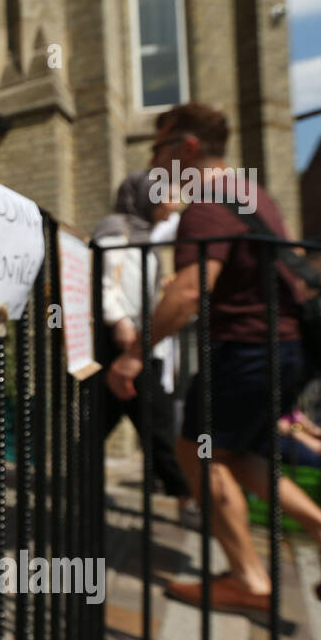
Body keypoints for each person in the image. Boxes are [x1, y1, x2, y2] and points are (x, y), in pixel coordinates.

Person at [106, 102, 321, 610]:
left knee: (198, 452)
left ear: (187, 147)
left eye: (158, 149)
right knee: (241, 455)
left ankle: (248, 578)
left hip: (247, 348)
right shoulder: (253, 194)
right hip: (286, 347)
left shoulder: (206, 203)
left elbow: (192, 292)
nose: (154, 162)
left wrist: (133, 356)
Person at [94, 170, 196, 525]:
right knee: (158, 424)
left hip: (141, 342)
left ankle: (82, 486)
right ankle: (186, 498)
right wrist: (119, 319)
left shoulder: (144, 236)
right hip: (121, 340)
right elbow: (106, 280)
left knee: (112, 420)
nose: (171, 199)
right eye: (164, 192)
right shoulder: (115, 229)